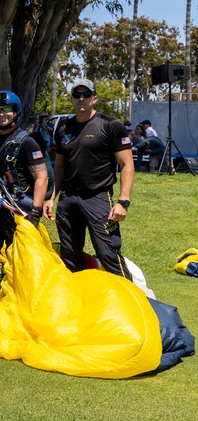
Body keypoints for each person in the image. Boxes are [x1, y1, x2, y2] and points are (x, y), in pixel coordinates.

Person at [44, 79, 135, 278]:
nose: (81, 98)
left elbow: (127, 165)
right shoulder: (63, 128)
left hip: (98, 198)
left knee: (108, 253)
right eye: (77, 95)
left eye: (86, 94)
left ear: (95, 98)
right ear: (72, 99)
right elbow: (59, 166)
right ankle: (81, 302)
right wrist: (51, 198)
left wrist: (123, 202)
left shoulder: (111, 125)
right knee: (70, 255)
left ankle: (130, 301)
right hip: (68, 200)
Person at [0, 90, 49, 303]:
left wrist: (35, 210)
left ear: (15, 112)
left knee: (17, 260)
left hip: (17, 212)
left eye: (7, 110)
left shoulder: (27, 141)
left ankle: (17, 301)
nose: (2, 114)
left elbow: (42, 177)